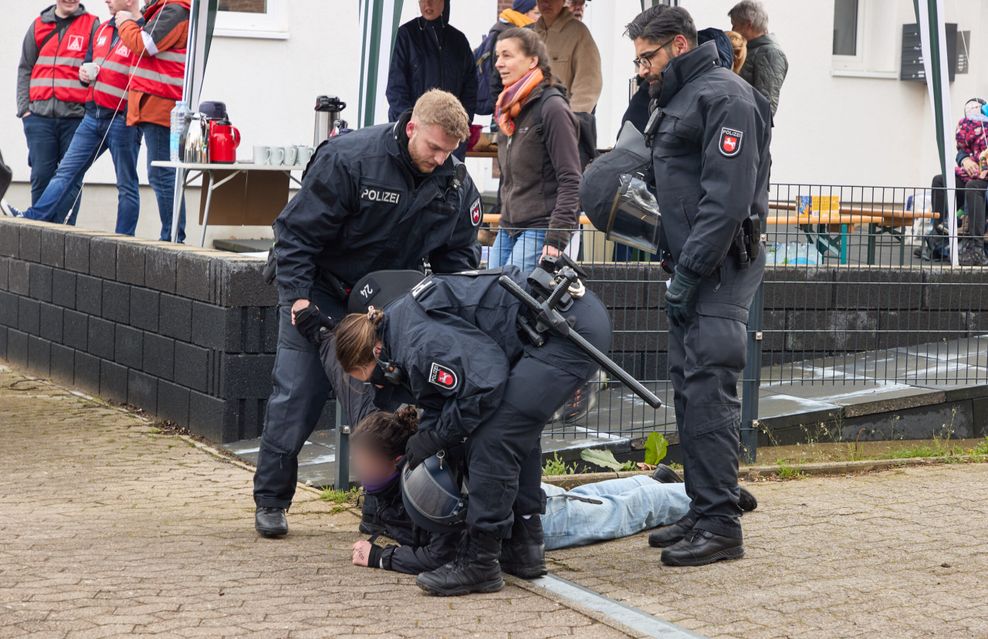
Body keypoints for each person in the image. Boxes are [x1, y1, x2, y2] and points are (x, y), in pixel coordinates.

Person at [253, 89, 482, 540]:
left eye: (449, 152)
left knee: (384, 406)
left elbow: (459, 256)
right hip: (322, 294)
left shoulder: (453, 182)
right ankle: (272, 500)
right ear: (411, 127)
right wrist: (299, 299)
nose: (439, 159)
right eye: (433, 147)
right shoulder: (350, 158)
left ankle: (385, 511)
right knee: (297, 397)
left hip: (388, 304)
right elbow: (295, 234)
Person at [333, 265, 611, 596]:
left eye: (367, 376)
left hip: (567, 330)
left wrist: (435, 437)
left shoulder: (415, 343)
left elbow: (484, 383)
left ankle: (479, 563)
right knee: (516, 425)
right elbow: (445, 396)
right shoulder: (397, 327)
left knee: (493, 436)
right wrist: (428, 433)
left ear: (375, 352)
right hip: (563, 319)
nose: (375, 385)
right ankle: (524, 546)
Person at [628, 6, 771, 567]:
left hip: (718, 266)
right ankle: (703, 503)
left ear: (679, 46)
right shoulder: (678, 95)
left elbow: (727, 200)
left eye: (647, 57)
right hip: (691, 262)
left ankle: (720, 526)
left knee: (710, 387)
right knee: (689, 386)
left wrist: (691, 270)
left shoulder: (726, 97)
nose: (642, 70)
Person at [347, 408, 760, 572]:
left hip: (543, 520)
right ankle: (662, 480)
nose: (358, 469)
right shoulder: (392, 482)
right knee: (594, 494)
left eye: (365, 461)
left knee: (623, 513)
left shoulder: (425, 487)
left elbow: (444, 551)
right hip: (522, 498)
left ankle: (708, 496)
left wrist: (384, 558)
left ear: (396, 462)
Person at [8, 0, 142, 234]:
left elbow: (145, 73)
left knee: (126, 183)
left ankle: (124, 239)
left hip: (121, 120)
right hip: (91, 116)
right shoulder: (103, 29)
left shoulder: (140, 31)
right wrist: (83, 75)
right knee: (65, 173)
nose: (106, 1)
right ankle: (33, 220)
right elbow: (87, 63)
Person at [489, 28, 580, 273]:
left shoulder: (552, 108)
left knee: (510, 299)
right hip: (508, 227)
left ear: (532, 61)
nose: (499, 63)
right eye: (497, 56)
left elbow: (571, 179)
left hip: (541, 228)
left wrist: (556, 238)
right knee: (489, 295)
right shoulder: (509, 110)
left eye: (507, 55)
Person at [16, 0, 100, 226]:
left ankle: (64, 233)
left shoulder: (92, 25)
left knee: (71, 178)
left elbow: (98, 68)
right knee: (41, 176)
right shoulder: (38, 25)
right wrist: (24, 110)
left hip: (75, 119)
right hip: (39, 119)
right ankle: (38, 232)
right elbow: (25, 67)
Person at [115, 0, 189, 243]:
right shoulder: (168, 10)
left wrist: (125, 23)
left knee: (162, 174)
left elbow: (144, 44)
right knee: (163, 173)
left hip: (160, 104)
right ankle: (172, 235)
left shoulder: (174, 10)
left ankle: (172, 237)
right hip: (156, 104)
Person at [386, 0, 476, 159]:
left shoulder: (458, 41)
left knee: (447, 182)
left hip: (450, 139)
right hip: (412, 137)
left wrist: (462, 126)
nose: (427, 3)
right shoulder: (406, 35)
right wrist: (412, 127)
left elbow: (470, 89)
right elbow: (395, 89)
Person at [534, 0, 602, 167]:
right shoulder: (529, 35)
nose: (545, 2)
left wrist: (567, 121)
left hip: (564, 132)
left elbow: (589, 84)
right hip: (532, 131)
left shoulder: (579, 33)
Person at [473, 0, 539, 117]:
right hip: (510, 110)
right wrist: (501, 114)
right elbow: (496, 79)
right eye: (537, 13)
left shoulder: (518, 32)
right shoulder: (509, 35)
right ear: (524, 13)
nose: (541, 17)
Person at [729, 0, 787, 117]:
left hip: (747, 129)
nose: (732, 29)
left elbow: (766, 107)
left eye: (735, 24)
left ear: (748, 24)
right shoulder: (750, 48)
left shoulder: (770, 53)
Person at [949, 99, 988, 265]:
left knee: (973, 187)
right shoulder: (970, 131)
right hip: (974, 175)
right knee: (942, 180)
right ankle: (935, 240)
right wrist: (965, 160)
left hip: (981, 180)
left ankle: (976, 247)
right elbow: (962, 151)